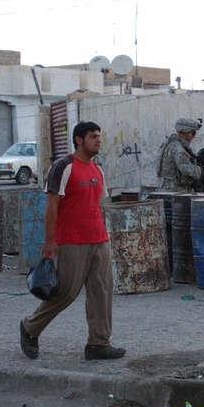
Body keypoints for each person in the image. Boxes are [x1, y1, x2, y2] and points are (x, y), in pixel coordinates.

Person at [19, 121, 125, 361]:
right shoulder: (63, 166)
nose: (98, 140)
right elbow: (51, 207)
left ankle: (98, 344)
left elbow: (99, 206)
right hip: (71, 241)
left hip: (99, 239)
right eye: (93, 136)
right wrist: (49, 242)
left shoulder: (98, 170)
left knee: (102, 291)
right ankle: (29, 328)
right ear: (79, 139)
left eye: (99, 136)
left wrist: (107, 237)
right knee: (66, 292)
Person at [156, 117, 204, 192]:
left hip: (169, 189)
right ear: (187, 133)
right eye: (193, 133)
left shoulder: (171, 143)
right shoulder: (177, 148)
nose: (194, 136)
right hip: (175, 191)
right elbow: (185, 168)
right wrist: (200, 170)